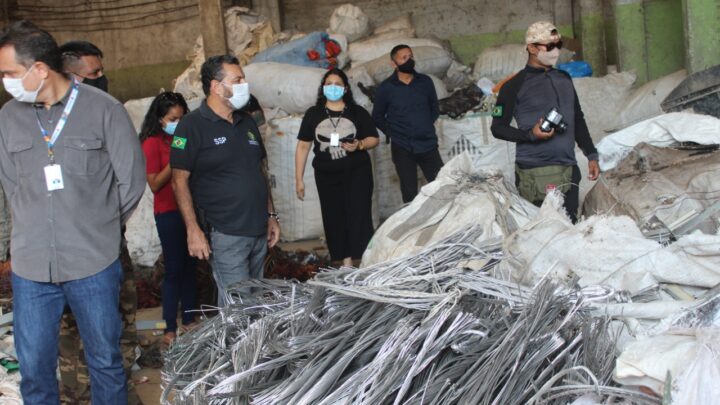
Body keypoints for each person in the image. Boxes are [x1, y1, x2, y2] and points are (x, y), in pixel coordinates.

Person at [0, 20, 145, 404]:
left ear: (40, 70)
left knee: (105, 362)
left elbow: (130, 182)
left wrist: (99, 229)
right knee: (33, 369)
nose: (6, 81)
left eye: (10, 73)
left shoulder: (104, 111)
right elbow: (11, 185)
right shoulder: (9, 117)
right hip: (32, 270)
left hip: (93, 263)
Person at [58, 39, 142, 405]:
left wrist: (107, 224)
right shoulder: (46, 123)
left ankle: (117, 391)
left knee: (118, 322)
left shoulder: (108, 115)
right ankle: (78, 395)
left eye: (101, 72)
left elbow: (129, 181)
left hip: (108, 243)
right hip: (62, 248)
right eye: (94, 74)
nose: (102, 79)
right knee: (72, 330)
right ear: (69, 77)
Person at [170, 55, 280, 307]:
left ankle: (249, 347)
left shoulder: (246, 121)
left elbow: (260, 169)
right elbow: (179, 181)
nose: (244, 84)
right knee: (238, 308)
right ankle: (235, 347)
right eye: (237, 79)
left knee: (255, 303)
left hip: (257, 230)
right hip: (225, 232)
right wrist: (192, 229)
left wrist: (271, 215)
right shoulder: (191, 126)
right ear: (216, 87)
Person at [490, 21, 600, 223]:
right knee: (542, 231)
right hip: (535, 174)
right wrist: (530, 135)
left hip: (568, 169)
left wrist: (591, 154)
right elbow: (497, 128)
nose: (555, 51)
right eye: (549, 46)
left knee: (570, 227)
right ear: (531, 48)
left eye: (558, 45)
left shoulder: (564, 78)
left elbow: (577, 118)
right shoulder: (513, 86)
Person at [295, 68, 379, 267]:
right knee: (334, 216)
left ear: (346, 88)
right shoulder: (313, 114)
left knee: (359, 214)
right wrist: (298, 179)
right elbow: (303, 146)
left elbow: (374, 139)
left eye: (338, 84)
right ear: (323, 87)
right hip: (326, 175)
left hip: (357, 173)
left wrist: (359, 145)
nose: (333, 87)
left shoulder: (357, 112)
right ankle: (345, 262)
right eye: (329, 84)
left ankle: (364, 261)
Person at [140, 91, 196, 345]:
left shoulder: (186, 138)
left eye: (183, 117)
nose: (179, 122)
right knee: (174, 269)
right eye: (174, 118)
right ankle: (169, 327)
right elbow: (154, 184)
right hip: (169, 213)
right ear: (161, 119)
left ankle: (190, 320)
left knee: (191, 267)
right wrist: (176, 156)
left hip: (191, 211)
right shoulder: (152, 143)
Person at [372, 44, 443, 204]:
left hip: (428, 144)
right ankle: (414, 226)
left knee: (441, 184)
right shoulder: (386, 88)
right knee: (409, 191)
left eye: (410, 56)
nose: (408, 60)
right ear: (393, 63)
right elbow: (377, 116)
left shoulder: (425, 82)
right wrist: (392, 132)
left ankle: (445, 222)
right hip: (402, 147)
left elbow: (434, 109)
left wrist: (423, 125)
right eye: (403, 58)